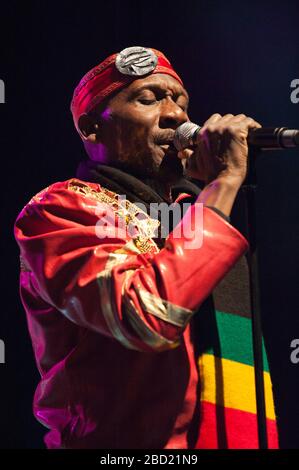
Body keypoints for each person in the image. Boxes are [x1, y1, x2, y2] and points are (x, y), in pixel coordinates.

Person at [14, 46, 278, 449]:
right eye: (149, 99)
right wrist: (222, 186)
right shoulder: (58, 211)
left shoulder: (189, 211)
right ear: (91, 129)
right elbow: (145, 317)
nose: (176, 115)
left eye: (180, 101)